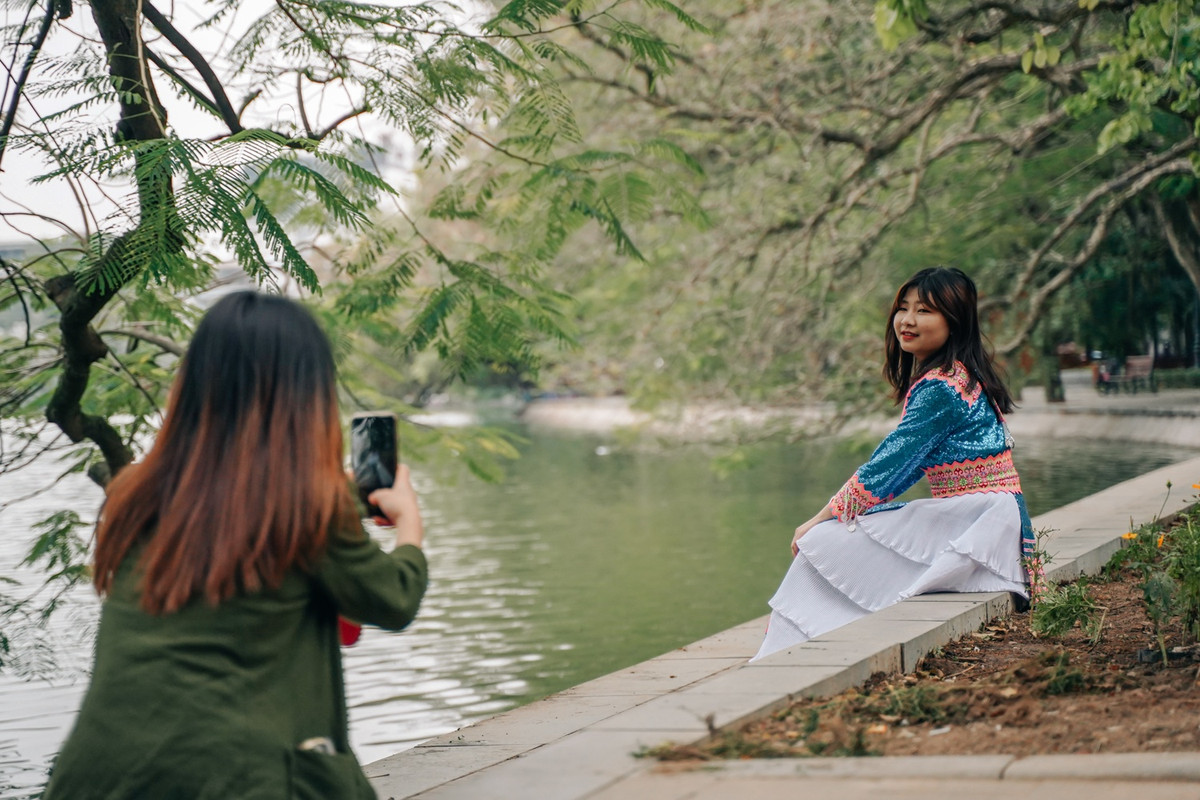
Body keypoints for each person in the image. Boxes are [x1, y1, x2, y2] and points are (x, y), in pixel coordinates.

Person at [43, 291, 428, 799]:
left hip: (96, 779)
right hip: (233, 780)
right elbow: (392, 600)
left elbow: (238, 520)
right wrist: (408, 525)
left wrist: (344, 502)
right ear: (306, 395)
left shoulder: (135, 492)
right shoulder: (309, 504)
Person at [753, 267, 1033, 662]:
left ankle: (791, 648)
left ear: (954, 322)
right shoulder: (959, 376)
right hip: (987, 514)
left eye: (925, 311)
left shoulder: (940, 386)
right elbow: (904, 467)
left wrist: (818, 519)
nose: (908, 320)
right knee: (852, 533)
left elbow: (888, 467)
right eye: (904, 308)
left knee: (819, 541)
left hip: (979, 518)